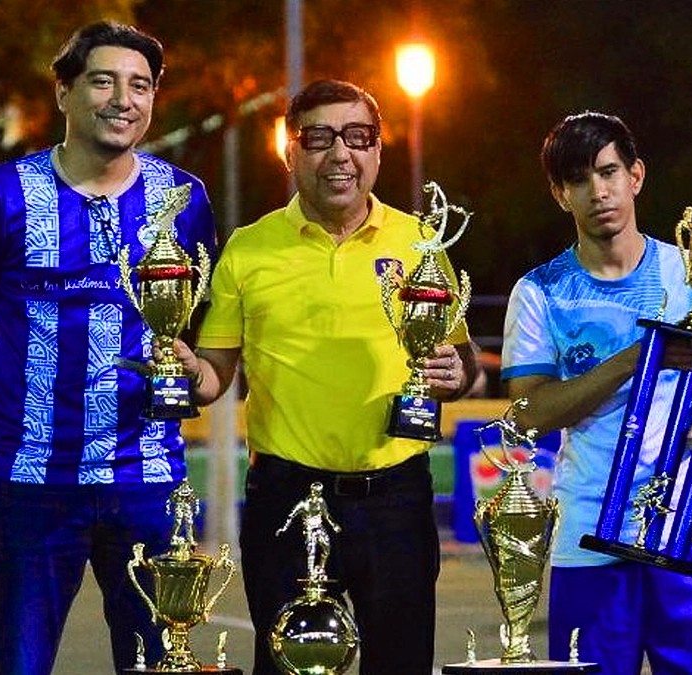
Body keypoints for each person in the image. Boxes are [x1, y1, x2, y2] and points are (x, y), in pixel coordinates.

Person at [0, 21, 217, 674]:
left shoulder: (184, 199)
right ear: (63, 92)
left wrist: (196, 375)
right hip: (34, 484)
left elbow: (197, 334)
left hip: (149, 481)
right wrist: (14, 421)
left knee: (160, 664)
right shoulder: (2, 191)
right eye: (103, 81)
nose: (124, 99)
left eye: (140, 86)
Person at [174, 79, 478, 675]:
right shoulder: (249, 248)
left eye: (357, 136)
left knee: (401, 664)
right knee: (288, 666)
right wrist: (182, 370)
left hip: (396, 497)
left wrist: (453, 373)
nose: (341, 153)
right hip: (286, 498)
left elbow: (462, 362)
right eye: (318, 138)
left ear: (378, 150)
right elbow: (216, 375)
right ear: (289, 152)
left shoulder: (420, 241)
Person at [500, 111, 692, 674]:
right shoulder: (541, 291)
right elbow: (528, 414)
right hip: (587, 540)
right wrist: (638, 358)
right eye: (579, 179)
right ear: (560, 195)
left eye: (608, 172)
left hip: (684, 532)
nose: (598, 191)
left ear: (636, 176)